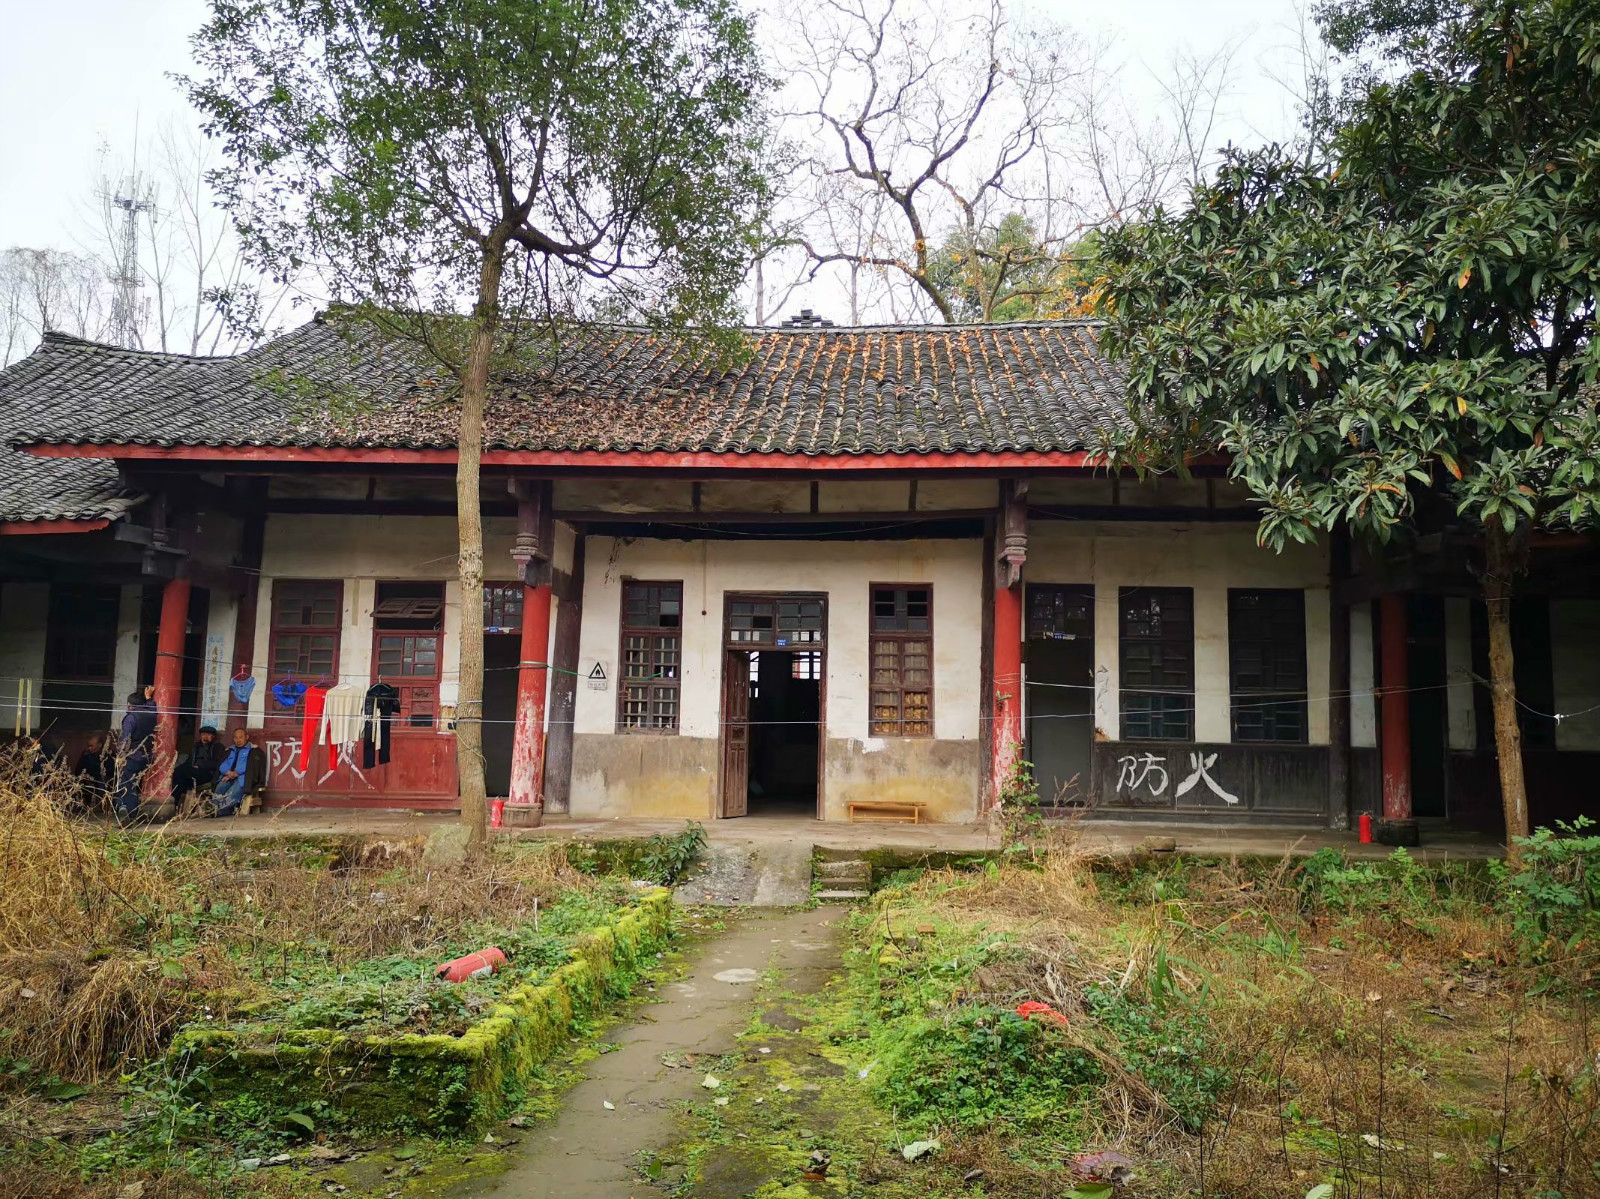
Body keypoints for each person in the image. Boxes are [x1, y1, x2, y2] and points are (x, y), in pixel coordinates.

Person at [113, 685, 158, 820]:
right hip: (148, 756)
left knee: (126, 783)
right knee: (134, 783)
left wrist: (121, 756)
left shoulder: (131, 718)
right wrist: (149, 698)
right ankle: (125, 809)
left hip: (133, 756)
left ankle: (127, 811)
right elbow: (152, 708)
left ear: (129, 705)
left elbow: (125, 739)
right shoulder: (151, 715)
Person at [211, 726, 264, 817]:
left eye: (240, 737)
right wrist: (228, 773)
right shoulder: (230, 750)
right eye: (236, 738)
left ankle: (219, 811)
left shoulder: (254, 750)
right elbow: (222, 765)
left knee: (232, 793)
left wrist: (236, 773)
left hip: (243, 778)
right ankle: (215, 810)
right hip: (228, 777)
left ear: (246, 737)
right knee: (220, 788)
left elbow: (252, 767)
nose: (238, 740)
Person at [172, 725, 225, 804]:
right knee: (178, 774)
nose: (205, 736)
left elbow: (217, 763)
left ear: (213, 736)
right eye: (203, 734)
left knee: (181, 774)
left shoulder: (217, 747)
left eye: (208, 734)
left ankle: (174, 802)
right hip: (192, 773)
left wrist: (200, 765)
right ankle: (174, 802)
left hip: (207, 774)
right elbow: (189, 762)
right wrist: (176, 770)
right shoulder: (196, 747)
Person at [75, 732, 115, 813]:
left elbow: (110, 771)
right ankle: (84, 807)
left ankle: (102, 808)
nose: (89, 748)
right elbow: (78, 770)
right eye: (88, 746)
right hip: (88, 779)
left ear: (99, 745)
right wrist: (83, 775)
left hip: (102, 779)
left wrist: (96, 776)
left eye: (91, 746)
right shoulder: (86, 755)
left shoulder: (108, 755)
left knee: (102, 782)